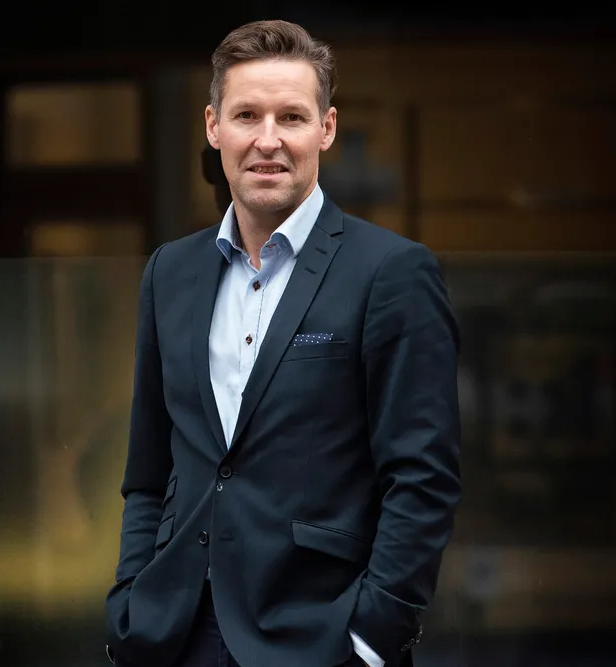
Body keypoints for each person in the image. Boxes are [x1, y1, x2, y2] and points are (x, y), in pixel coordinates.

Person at [104, 19, 462, 667]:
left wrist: (372, 637)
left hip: (320, 636)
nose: (267, 140)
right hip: (174, 634)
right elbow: (149, 471)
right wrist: (130, 605)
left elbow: (423, 477)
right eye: (247, 115)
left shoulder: (391, 272)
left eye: (291, 117)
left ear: (326, 128)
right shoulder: (170, 272)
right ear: (214, 127)